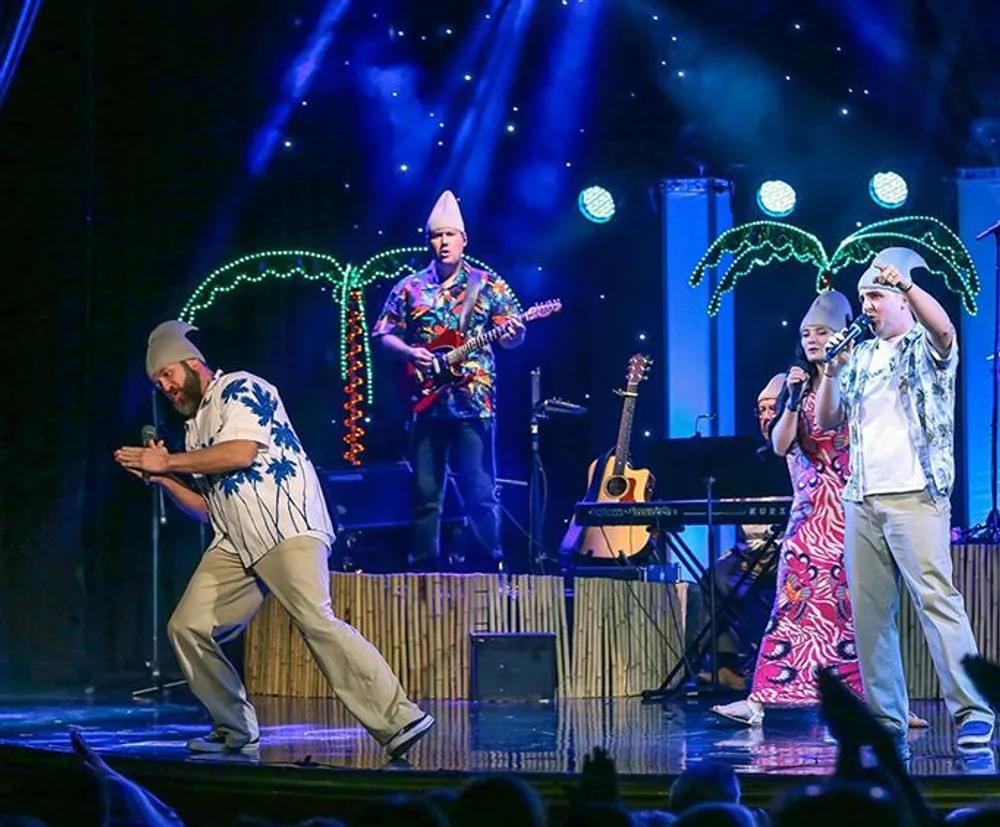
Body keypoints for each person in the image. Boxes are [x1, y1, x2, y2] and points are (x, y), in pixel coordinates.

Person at [114, 321, 433, 757]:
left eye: (167, 374)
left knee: (315, 619)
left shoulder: (240, 387)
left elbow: (241, 453)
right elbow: (211, 508)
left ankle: (400, 719)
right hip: (237, 542)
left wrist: (167, 462)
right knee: (188, 627)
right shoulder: (193, 430)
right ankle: (235, 731)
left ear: (192, 363)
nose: (165, 387)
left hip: (286, 523)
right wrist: (163, 479)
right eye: (157, 382)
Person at [712, 291, 928, 729]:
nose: (813, 340)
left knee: (862, 610)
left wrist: (832, 370)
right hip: (810, 514)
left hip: (855, 509)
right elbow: (780, 445)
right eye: (807, 333)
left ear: (842, 334)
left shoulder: (863, 376)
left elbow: (842, 422)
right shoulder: (791, 382)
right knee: (793, 608)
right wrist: (792, 397)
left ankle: (885, 703)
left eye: (823, 333)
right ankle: (763, 698)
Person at [816, 247, 995, 749]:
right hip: (862, 498)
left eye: (875, 295)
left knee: (938, 602)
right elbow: (828, 420)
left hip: (915, 493)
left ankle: (972, 710)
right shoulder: (863, 356)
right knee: (870, 612)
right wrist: (830, 371)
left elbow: (945, 331)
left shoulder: (924, 346)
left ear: (899, 300)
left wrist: (910, 286)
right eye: (863, 297)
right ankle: (887, 718)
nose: (867, 305)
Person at [372, 190, 525, 571]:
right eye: (436, 237)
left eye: (450, 236)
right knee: (426, 493)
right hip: (426, 405)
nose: (443, 244)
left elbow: (513, 334)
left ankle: (489, 566)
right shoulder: (410, 286)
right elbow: (383, 334)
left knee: (479, 489)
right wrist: (411, 353)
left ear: (464, 239)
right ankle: (423, 569)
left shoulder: (486, 285)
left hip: (473, 404)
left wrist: (513, 335)